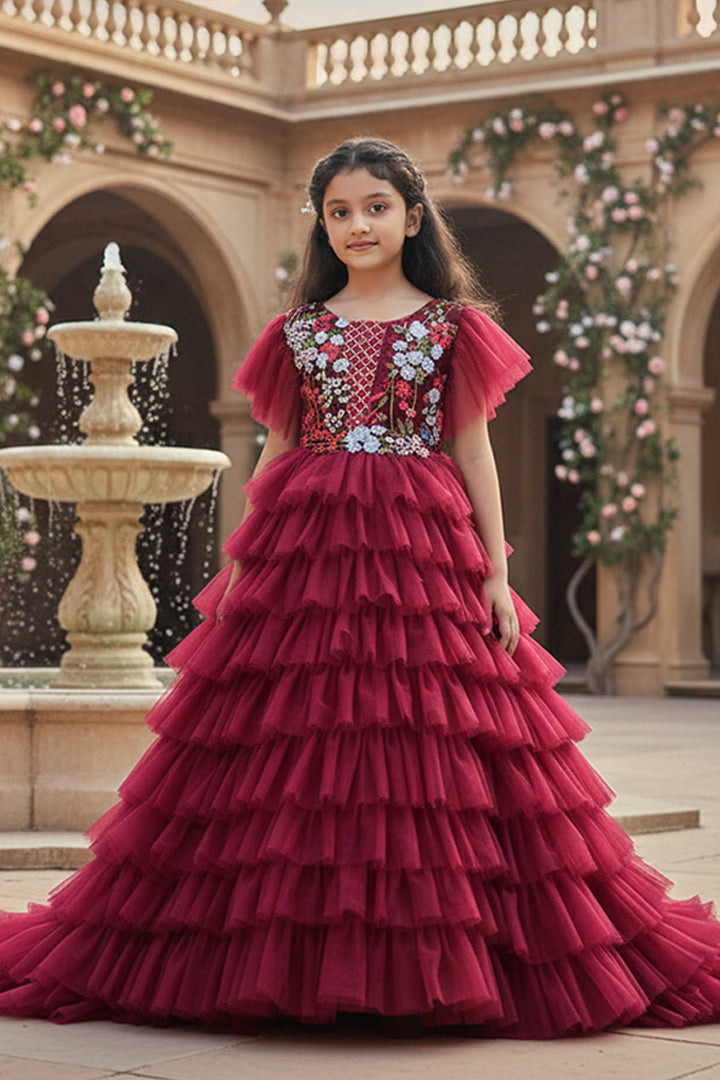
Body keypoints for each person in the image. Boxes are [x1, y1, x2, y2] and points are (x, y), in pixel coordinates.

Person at [1, 136, 719, 1039]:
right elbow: (278, 451)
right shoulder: (300, 331)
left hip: (423, 546)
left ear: (412, 217)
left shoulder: (451, 325)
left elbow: (473, 451)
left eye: (375, 207)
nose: (356, 226)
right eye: (338, 211)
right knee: (302, 750)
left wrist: (497, 575)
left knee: (424, 746)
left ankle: (438, 962)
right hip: (310, 545)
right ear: (323, 223)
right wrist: (246, 565)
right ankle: (289, 960)